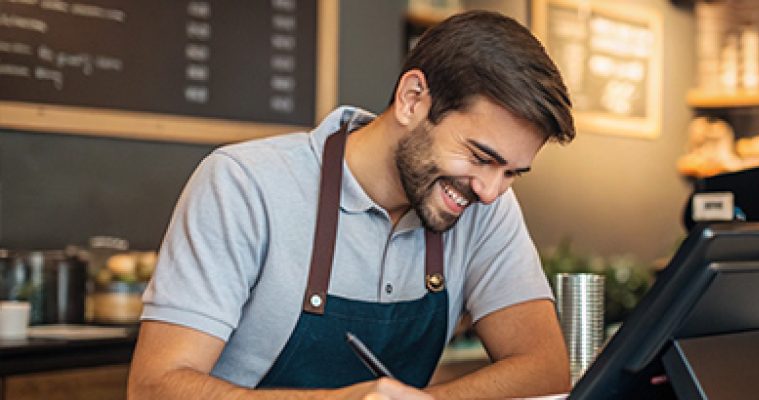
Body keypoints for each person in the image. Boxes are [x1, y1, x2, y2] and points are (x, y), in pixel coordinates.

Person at [128, 10, 576, 400]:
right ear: (412, 99)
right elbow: (155, 388)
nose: (491, 190)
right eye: (481, 157)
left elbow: (544, 370)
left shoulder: (485, 204)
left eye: (512, 172)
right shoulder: (244, 185)